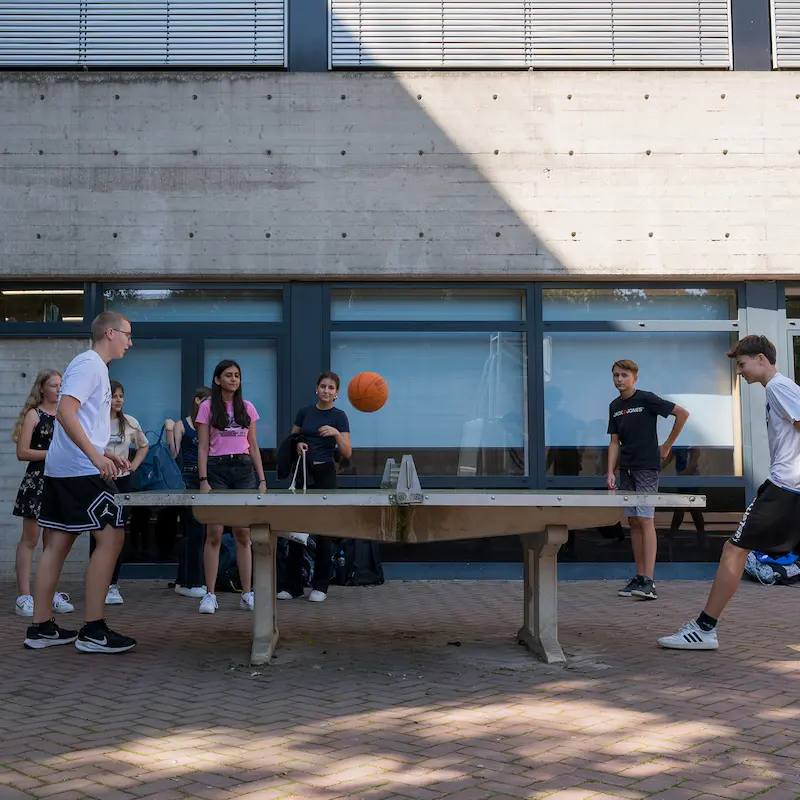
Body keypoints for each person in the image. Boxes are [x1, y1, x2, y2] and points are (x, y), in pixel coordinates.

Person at [659, 335, 800, 650]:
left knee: (734, 551)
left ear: (760, 359)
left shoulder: (779, 387)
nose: (740, 372)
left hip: (785, 488)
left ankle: (705, 629)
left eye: (742, 364)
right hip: (786, 487)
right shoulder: (779, 389)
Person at [23, 311, 136, 653]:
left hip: (65, 467)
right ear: (111, 333)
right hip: (79, 469)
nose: (130, 342)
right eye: (128, 335)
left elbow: (78, 420)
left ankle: (41, 627)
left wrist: (105, 451)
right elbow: (66, 413)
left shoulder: (93, 367)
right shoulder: (90, 365)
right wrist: (95, 457)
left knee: (56, 544)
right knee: (113, 536)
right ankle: (94, 630)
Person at [606, 359, 689, 601]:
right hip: (627, 469)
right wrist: (611, 470)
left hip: (646, 467)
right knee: (632, 521)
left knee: (645, 519)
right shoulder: (614, 406)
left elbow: (682, 414)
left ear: (634, 378)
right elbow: (614, 442)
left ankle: (650, 581)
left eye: (623, 375)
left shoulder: (646, 399)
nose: (619, 379)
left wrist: (667, 444)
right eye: (615, 375)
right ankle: (640, 577)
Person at [196, 360, 267, 615]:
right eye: (228, 375)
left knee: (243, 533)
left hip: (244, 470)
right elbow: (202, 447)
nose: (233, 379)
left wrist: (261, 479)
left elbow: (254, 445)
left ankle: (247, 593)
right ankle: (210, 594)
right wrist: (203, 480)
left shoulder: (247, 408)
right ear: (217, 380)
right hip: (217, 471)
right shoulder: (206, 407)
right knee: (214, 533)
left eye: (237, 375)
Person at [278, 371, 352, 603]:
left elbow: (347, 452)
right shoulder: (305, 412)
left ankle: (321, 586)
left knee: (323, 531)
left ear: (337, 393)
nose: (326, 391)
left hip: (325, 474)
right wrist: (299, 443)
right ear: (316, 389)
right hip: (303, 473)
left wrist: (336, 433)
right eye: (323, 386)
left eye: (331, 388)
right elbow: (291, 439)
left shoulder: (339, 416)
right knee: (296, 531)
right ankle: (293, 586)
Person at [12, 370, 74, 617]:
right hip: (37, 481)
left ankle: (49, 593)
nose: (59, 389)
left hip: (58, 481)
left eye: (61, 385)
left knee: (54, 542)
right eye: (54, 385)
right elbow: (22, 452)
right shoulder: (33, 415)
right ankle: (24, 597)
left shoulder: (65, 415)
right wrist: (52, 455)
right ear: (42, 389)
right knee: (31, 539)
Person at [90, 380, 149, 606]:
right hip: (99, 481)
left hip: (123, 483)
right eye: (114, 396)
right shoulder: (96, 422)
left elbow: (144, 445)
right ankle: (98, 582)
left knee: (117, 534)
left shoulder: (130, 422)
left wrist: (134, 465)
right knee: (99, 534)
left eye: (121, 396)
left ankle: (113, 584)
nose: (118, 400)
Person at [165, 386, 212, 598]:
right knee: (193, 529)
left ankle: (185, 580)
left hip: (207, 478)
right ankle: (190, 582)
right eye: (206, 402)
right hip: (187, 479)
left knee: (201, 531)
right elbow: (173, 454)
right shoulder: (182, 424)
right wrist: (168, 431)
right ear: (197, 401)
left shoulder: (210, 424)